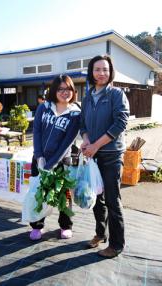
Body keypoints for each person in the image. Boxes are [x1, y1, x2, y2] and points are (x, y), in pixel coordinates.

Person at [80, 55, 130, 258]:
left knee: (112, 199)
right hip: (93, 154)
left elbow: (121, 123)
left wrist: (95, 145)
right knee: (97, 197)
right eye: (97, 69)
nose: (101, 73)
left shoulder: (116, 94)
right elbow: (83, 124)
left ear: (111, 72)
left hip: (111, 154)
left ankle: (117, 245)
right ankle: (101, 234)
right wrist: (85, 140)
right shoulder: (87, 97)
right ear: (91, 72)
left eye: (105, 70)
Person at [30, 74, 81, 240]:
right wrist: (39, 157)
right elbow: (36, 131)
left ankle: (65, 226)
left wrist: (51, 163)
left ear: (73, 91)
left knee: (64, 195)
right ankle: (37, 225)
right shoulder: (44, 107)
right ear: (54, 91)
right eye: (60, 89)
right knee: (39, 193)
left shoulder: (75, 113)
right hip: (39, 160)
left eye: (68, 89)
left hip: (62, 162)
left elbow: (68, 142)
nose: (64, 92)